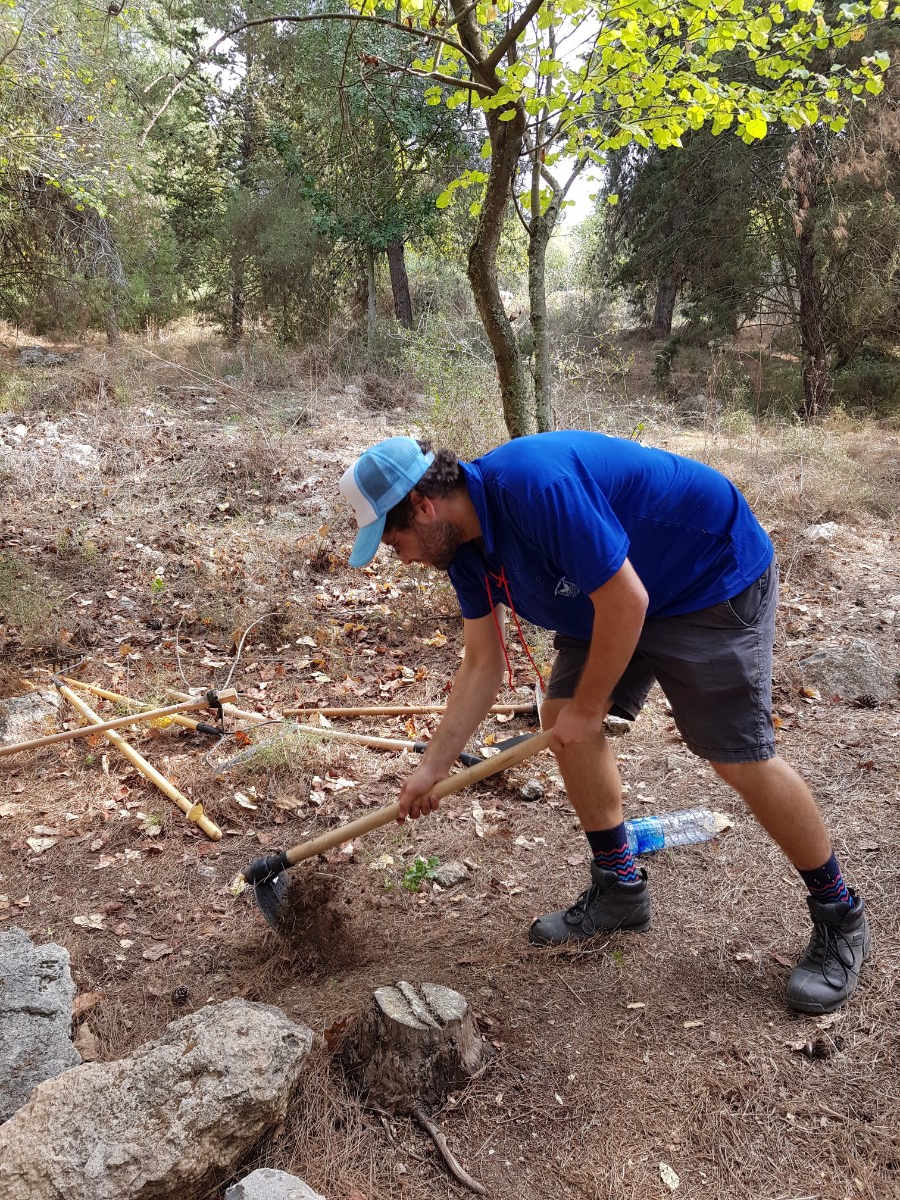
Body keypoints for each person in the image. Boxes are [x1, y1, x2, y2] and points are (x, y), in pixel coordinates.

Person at [338, 431, 871, 1014]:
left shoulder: (535, 486)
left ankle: (839, 913)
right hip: (613, 593)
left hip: (703, 579)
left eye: (396, 540)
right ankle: (619, 887)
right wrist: (430, 769)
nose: (404, 556)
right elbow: (481, 665)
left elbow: (628, 603)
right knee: (561, 716)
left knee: (737, 757)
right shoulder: (465, 549)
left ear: (422, 505)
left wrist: (591, 710)